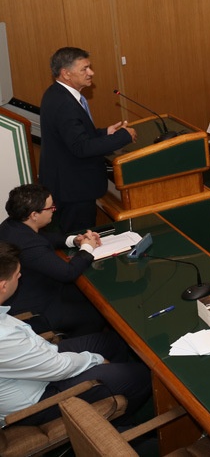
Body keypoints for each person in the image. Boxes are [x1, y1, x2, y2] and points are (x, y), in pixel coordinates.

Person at [0, 242, 152, 426]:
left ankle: (115, 384)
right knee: (141, 375)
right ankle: (121, 425)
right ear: (3, 286)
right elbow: (58, 368)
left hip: (36, 364)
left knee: (113, 341)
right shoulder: (4, 337)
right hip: (37, 398)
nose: (21, 276)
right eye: (18, 275)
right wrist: (95, 360)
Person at [40, 47, 137, 235]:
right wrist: (123, 137)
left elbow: (72, 136)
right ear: (66, 73)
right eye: (84, 69)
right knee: (79, 241)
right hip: (74, 190)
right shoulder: (64, 104)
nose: (91, 73)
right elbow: (81, 147)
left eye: (90, 67)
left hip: (69, 185)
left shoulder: (57, 94)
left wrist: (103, 133)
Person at [0, 185, 105, 336]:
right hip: (36, 307)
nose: (53, 210)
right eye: (50, 208)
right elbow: (68, 273)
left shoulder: (12, 224)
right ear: (34, 215)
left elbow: (42, 238)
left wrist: (74, 240)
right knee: (95, 315)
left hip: (35, 288)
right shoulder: (31, 246)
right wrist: (87, 248)